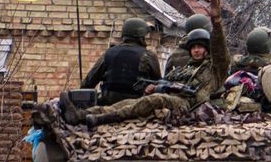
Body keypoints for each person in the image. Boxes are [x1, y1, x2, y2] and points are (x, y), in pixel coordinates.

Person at [63, 28, 215, 127]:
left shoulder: (211, 68)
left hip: (190, 103)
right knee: (127, 103)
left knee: (154, 100)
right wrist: (156, 87)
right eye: (193, 47)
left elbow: (89, 81)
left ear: (207, 49)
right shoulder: (184, 68)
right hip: (171, 97)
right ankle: (80, 115)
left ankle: (104, 118)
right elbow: (163, 80)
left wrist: (217, 23)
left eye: (200, 47)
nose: (196, 51)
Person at [76, 17, 161, 105]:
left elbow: (88, 82)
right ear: (140, 37)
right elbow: (158, 84)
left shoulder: (109, 54)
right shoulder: (148, 55)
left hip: (108, 107)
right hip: (136, 108)